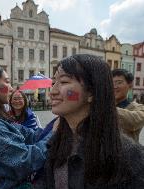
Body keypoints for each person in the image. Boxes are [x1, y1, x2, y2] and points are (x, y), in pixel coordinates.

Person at [36, 54, 144, 188]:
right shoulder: (55, 141)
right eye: (53, 83)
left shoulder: (130, 157)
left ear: (91, 93)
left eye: (63, 82)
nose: (52, 91)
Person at [0, 64, 52, 189]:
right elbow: (24, 162)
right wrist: (54, 133)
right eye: (7, 82)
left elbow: (30, 135)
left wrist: (54, 127)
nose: (11, 88)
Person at [112, 69, 144, 142]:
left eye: (118, 82)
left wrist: (106, 107)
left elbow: (133, 123)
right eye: (111, 83)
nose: (114, 86)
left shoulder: (139, 108)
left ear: (130, 86)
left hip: (126, 152)